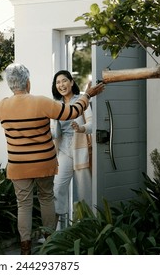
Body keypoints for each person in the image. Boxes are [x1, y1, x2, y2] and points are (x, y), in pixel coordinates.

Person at [0, 63, 104, 254]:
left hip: (19, 166)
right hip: (44, 162)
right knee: (46, 198)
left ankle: (25, 248)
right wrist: (88, 94)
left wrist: (2, 104)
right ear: (28, 82)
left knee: (23, 205)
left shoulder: (2, 107)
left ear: (10, 85)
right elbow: (72, 112)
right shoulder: (42, 102)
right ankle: (51, 242)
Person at [50, 70, 93, 230]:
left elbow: (92, 124)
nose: (61, 85)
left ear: (71, 82)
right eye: (58, 82)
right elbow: (55, 132)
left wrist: (80, 127)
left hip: (80, 150)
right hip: (63, 151)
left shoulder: (82, 101)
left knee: (84, 192)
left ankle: (88, 230)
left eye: (64, 81)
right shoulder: (56, 105)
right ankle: (52, 232)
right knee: (57, 189)